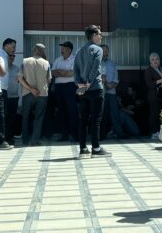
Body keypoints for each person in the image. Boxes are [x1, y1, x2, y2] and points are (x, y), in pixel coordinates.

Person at [73, 25, 111, 158]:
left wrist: (79, 83)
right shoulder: (98, 49)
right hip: (95, 88)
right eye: (99, 34)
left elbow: (75, 69)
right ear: (94, 35)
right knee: (95, 120)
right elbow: (95, 68)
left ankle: (83, 149)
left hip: (83, 90)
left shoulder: (79, 51)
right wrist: (89, 82)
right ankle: (96, 148)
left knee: (83, 119)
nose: (101, 37)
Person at [102, 44, 139, 139]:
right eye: (104, 51)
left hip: (112, 92)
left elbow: (116, 76)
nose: (105, 53)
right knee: (102, 113)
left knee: (115, 112)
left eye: (107, 51)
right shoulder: (97, 63)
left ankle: (119, 132)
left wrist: (112, 84)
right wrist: (105, 84)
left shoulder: (112, 63)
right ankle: (101, 134)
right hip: (101, 92)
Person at [19, 44, 51, 146]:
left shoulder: (25, 61)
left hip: (27, 93)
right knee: (39, 118)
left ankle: (25, 140)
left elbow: (20, 78)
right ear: (43, 51)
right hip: (42, 94)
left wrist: (31, 89)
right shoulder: (46, 63)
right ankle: (35, 140)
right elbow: (49, 80)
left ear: (35, 49)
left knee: (25, 117)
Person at [51, 41, 78, 142]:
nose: (61, 50)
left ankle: (75, 134)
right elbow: (53, 73)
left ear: (69, 50)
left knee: (72, 111)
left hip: (70, 87)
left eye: (64, 48)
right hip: (59, 87)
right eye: (61, 48)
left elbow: (71, 73)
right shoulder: (58, 59)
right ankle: (64, 135)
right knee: (61, 111)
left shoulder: (75, 59)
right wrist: (64, 72)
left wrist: (60, 72)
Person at [144, 52, 162, 141]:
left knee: (161, 115)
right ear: (150, 61)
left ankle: (160, 132)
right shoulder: (149, 70)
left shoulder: (160, 69)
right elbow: (149, 83)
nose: (155, 61)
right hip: (154, 96)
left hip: (161, 96)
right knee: (154, 114)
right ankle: (153, 132)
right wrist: (160, 81)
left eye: (157, 59)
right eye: (153, 59)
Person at [1, 38, 21, 147]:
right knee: (4, 117)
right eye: (10, 56)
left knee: (11, 119)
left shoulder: (16, 69)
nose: (12, 58)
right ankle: (2, 138)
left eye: (14, 57)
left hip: (14, 97)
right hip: (4, 95)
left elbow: (20, 80)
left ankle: (9, 137)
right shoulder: (2, 62)